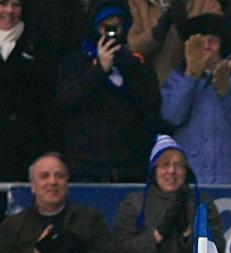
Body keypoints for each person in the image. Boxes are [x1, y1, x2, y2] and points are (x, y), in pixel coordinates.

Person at [55, 0, 160, 183]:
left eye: (117, 27)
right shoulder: (75, 62)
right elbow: (67, 101)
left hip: (129, 168)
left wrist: (127, 68)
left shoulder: (136, 65)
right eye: (105, 27)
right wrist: (99, 70)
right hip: (87, 168)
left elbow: (150, 106)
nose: (111, 34)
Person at [160, 14, 231, 185]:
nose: (206, 47)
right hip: (191, 178)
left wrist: (226, 90)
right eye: (199, 43)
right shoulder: (177, 79)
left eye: (212, 41)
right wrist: (190, 76)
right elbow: (171, 116)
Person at [0, 0, 56, 184]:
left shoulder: (39, 43)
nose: (9, 11)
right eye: (2, 3)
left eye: (16, 5)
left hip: (25, 147)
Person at [127, 0, 221, 84]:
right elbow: (134, 47)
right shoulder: (139, 3)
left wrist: (185, 30)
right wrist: (156, 34)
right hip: (154, 87)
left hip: (196, 86)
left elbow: (215, 44)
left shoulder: (207, 3)